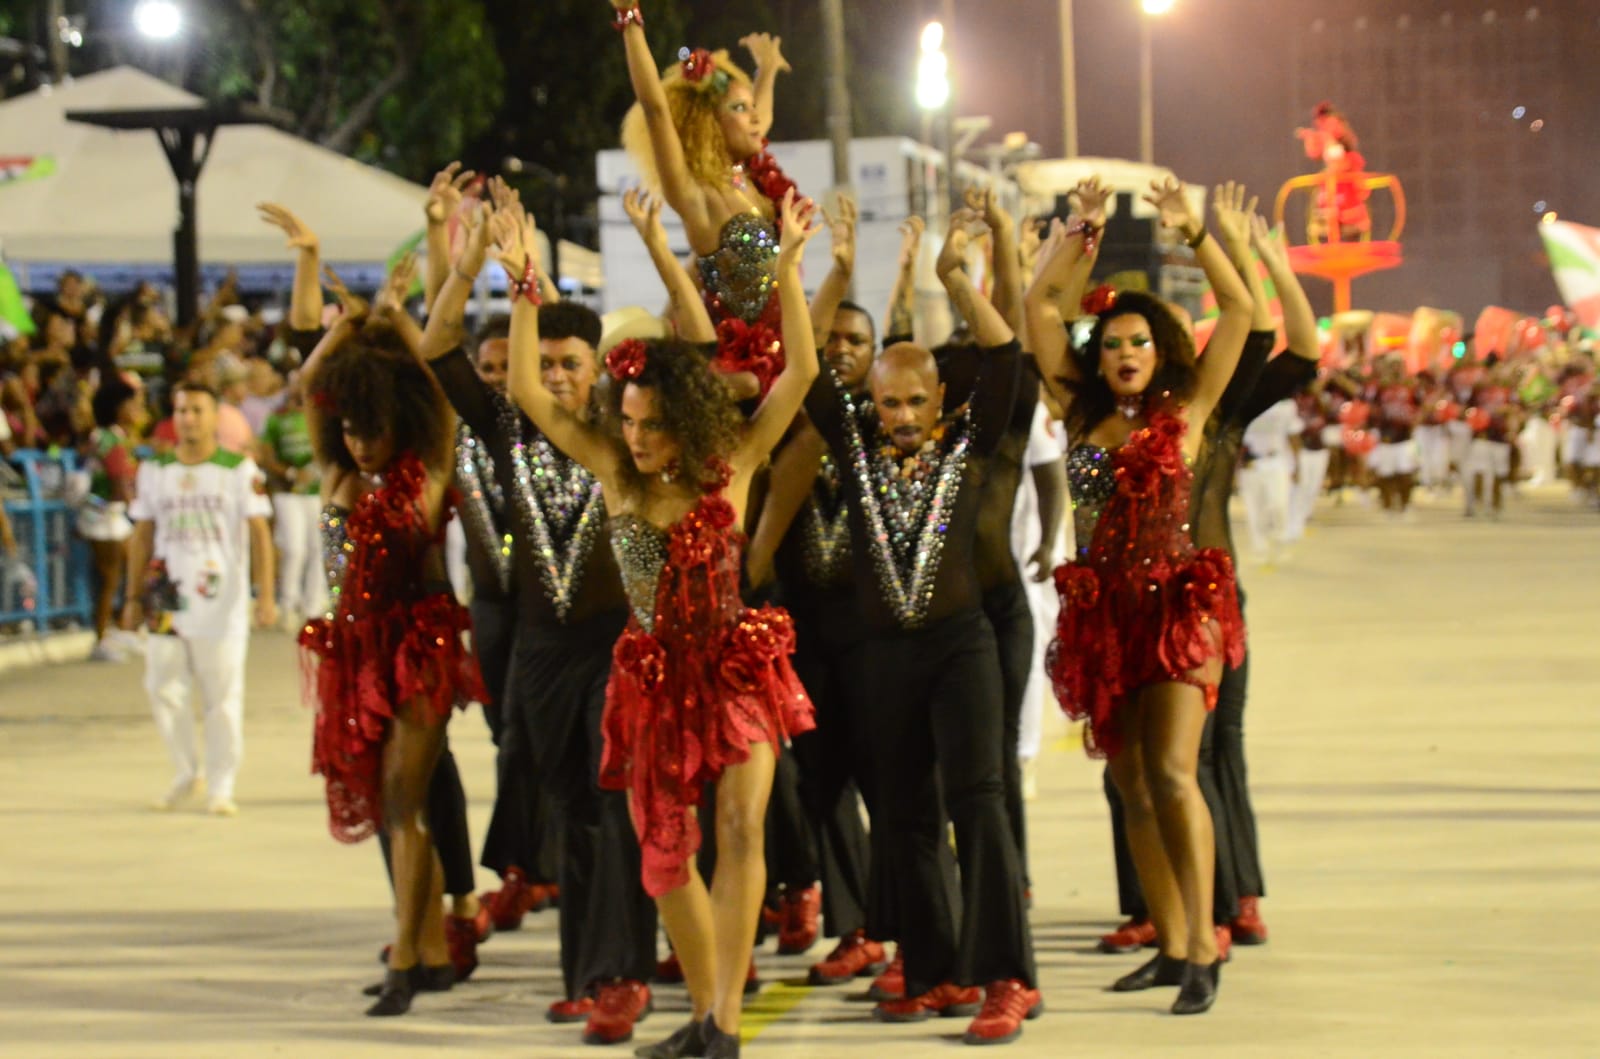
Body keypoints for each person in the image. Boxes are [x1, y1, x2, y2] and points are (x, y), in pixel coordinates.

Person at [499, 188, 817, 1059]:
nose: (633, 435)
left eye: (649, 422)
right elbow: (528, 386)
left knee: (744, 828)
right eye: (627, 419)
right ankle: (711, 1016)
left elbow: (802, 376)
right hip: (651, 677)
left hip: (735, 663)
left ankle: (721, 1023)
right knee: (666, 854)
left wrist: (787, 269)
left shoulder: (734, 462)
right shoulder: (613, 469)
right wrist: (524, 284)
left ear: (685, 418)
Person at [422, 187, 659, 1047]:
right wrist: (463, 269)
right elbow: (437, 343)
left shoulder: (627, 434)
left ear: (599, 367)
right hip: (539, 650)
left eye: (571, 364)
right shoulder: (508, 432)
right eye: (546, 364)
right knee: (565, 809)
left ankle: (625, 975)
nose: (556, 376)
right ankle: (587, 975)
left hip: (614, 649)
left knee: (612, 807)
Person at [796, 213, 1040, 1046]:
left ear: (940, 400)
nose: (900, 413)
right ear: (871, 400)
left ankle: (1006, 976)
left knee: (979, 805)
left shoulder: (966, 445)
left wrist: (958, 278)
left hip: (961, 649)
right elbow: (800, 364)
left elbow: (1007, 358)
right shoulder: (855, 448)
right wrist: (823, 270)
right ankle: (935, 970)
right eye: (887, 400)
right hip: (883, 661)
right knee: (901, 814)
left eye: (914, 400)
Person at [1028, 176, 1254, 1015]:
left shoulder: (1188, 408)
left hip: (1177, 609)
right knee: (1126, 782)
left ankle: (1204, 943)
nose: (1125, 353)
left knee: (1170, 770)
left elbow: (1236, 313)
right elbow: (1037, 309)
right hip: (1104, 616)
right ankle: (1168, 939)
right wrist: (1075, 235)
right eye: (1113, 342)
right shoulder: (1081, 412)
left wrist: (1197, 234)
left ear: (1160, 350)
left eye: (1139, 342)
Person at [296, 264, 486, 1018]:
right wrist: (345, 327)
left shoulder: (429, 468)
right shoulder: (336, 474)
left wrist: (399, 316)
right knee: (391, 805)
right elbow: (309, 387)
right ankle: (432, 951)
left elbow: (441, 389)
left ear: (395, 422)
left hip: (419, 646)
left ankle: (408, 955)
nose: (361, 442)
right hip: (354, 652)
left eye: (373, 428)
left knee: (404, 804)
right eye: (351, 427)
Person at [614, 2, 803, 396]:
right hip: (736, 370)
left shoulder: (751, 174)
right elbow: (655, 110)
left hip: (784, 351)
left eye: (752, 107)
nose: (755, 118)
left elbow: (760, 117)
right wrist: (630, 18)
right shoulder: (697, 196)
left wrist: (766, 70)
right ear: (709, 125)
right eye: (738, 109)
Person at [120, 380, 275, 816]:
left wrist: (264, 595)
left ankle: (221, 785)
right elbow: (143, 533)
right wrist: (132, 596)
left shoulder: (237, 469)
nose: (188, 419)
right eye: (181, 410)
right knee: (163, 687)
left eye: (197, 410)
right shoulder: (156, 470)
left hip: (221, 601)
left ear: (214, 417)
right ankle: (187, 771)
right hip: (167, 599)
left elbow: (260, 534)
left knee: (222, 695)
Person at [79, 373, 143, 661]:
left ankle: (121, 629)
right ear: (117, 408)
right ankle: (102, 638)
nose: (136, 411)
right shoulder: (109, 439)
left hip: (112, 515)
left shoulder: (113, 437)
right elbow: (118, 479)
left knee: (132, 570)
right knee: (109, 577)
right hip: (102, 516)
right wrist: (136, 507)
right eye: (131, 405)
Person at [256, 374, 327, 629]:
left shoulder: (320, 415)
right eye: (295, 383)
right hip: (288, 491)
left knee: (318, 548)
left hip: (316, 490)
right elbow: (265, 454)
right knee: (295, 549)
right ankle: (288, 604)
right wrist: (289, 473)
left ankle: (314, 605)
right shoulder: (276, 418)